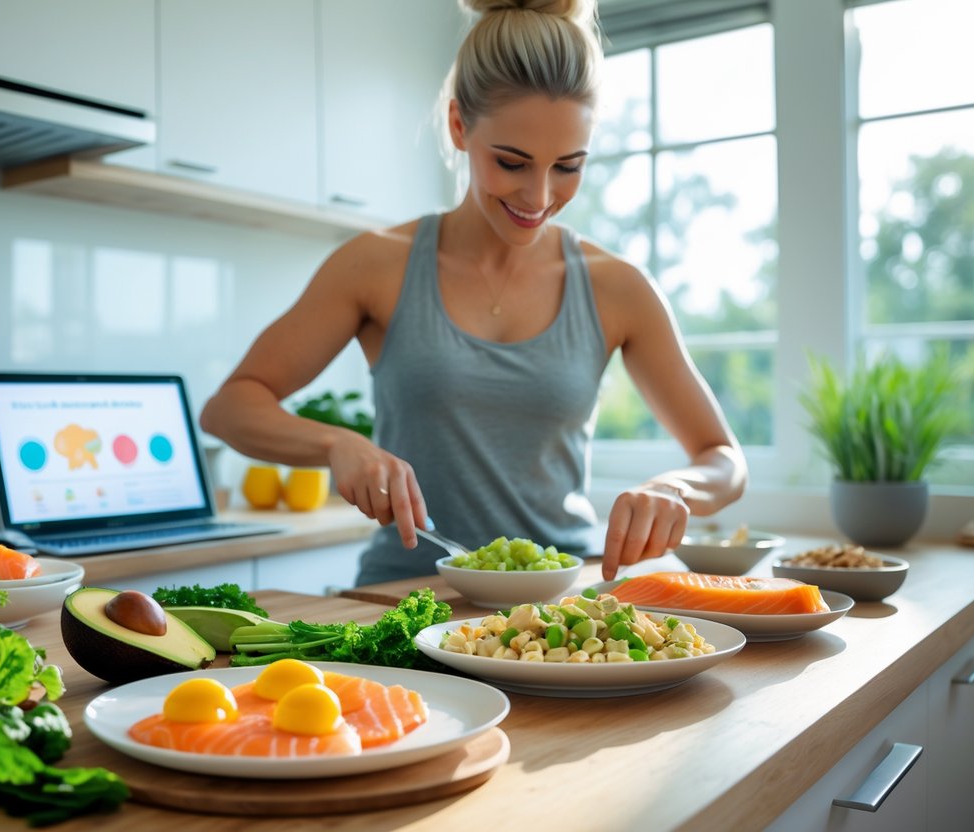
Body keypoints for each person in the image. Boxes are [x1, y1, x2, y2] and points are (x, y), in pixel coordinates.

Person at [200, 0, 747, 586]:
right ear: (460, 125)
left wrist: (672, 488)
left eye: (568, 166)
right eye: (512, 163)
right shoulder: (376, 264)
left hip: (564, 606)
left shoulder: (616, 287)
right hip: (405, 598)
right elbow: (229, 407)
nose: (538, 196)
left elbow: (724, 459)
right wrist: (336, 444)